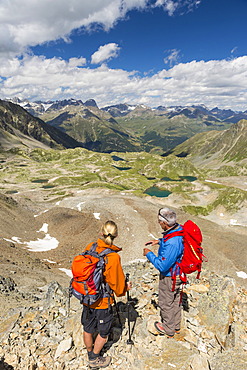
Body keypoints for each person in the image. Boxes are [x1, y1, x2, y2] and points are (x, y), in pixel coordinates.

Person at [82, 220, 131, 369]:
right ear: (116, 235)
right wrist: (125, 288)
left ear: (100, 232)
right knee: (103, 333)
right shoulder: (113, 257)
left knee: (88, 328)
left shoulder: (90, 247)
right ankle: (94, 359)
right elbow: (117, 285)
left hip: (87, 298)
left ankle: (89, 351)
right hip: (103, 301)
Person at [143, 207, 184, 338]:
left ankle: (168, 329)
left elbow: (162, 266)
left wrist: (149, 254)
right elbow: (175, 245)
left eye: (159, 221)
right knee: (176, 299)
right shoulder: (178, 229)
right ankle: (176, 326)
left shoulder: (172, 242)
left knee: (166, 302)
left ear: (164, 223)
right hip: (179, 273)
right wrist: (159, 242)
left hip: (170, 276)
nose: (159, 223)